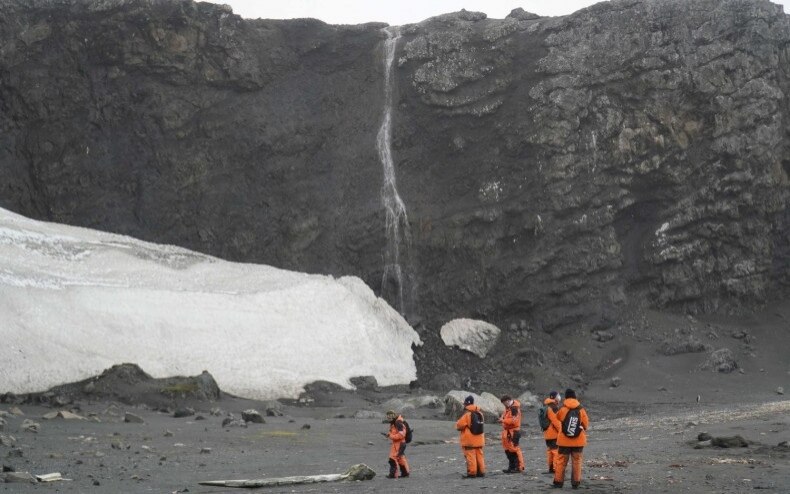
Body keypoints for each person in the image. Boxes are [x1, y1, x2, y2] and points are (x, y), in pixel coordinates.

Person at [551, 388, 589, 489]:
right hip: (579, 441)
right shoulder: (581, 409)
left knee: (561, 461)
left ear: (566, 397)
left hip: (564, 441)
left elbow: (557, 418)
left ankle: (558, 482)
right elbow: (586, 423)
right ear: (575, 396)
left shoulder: (563, 409)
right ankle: (575, 483)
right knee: (577, 461)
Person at [455, 395, 486, 478]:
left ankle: (472, 473)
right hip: (479, 439)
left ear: (466, 404)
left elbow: (459, 426)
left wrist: (458, 422)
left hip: (470, 440)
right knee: (479, 455)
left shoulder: (467, 414)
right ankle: (481, 472)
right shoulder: (480, 413)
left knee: (470, 456)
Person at [498, 394, 525, 473]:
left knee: (514, 449)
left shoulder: (514, 409)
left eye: (504, 403)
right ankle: (512, 467)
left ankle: (519, 467)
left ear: (507, 401)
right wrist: (503, 420)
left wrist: (503, 420)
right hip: (507, 432)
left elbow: (514, 421)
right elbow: (504, 417)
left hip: (513, 431)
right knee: (508, 450)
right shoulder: (508, 409)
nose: (504, 405)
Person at [383, 410, 410, 479]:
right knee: (400, 458)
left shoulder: (398, 422)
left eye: (389, 417)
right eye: (387, 417)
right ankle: (405, 473)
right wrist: (389, 434)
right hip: (398, 443)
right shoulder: (394, 422)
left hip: (399, 443)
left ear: (393, 416)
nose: (388, 419)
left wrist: (391, 436)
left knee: (393, 458)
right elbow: (394, 432)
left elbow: (401, 435)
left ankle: (393, 475)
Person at [542, 390, 561, 474]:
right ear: (555, 397)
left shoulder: (546, 405)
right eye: (558, 395)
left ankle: (550, 468)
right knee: (555, 451)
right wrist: (562, 431)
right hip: (553, 433)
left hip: (547, 433)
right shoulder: (553, 407)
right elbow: (556, 421)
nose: (559, 396)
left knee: (550, 451)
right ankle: (556, 468)